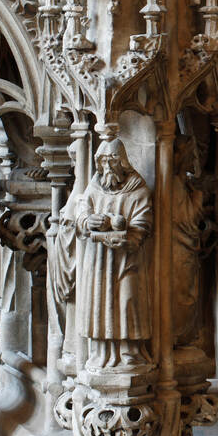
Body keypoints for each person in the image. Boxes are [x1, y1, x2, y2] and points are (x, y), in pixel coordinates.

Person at [74, 138, 153, 370]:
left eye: (112, 162)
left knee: (128, 301)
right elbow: (79, 218)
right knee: (100, 303)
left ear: (123, 163)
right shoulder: (94, 187)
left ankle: (130, 352)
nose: (107, 168)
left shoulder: (138, 190)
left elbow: (143, 223)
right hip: (98, 261)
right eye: (103, 162)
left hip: (127, 260)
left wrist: (128, 233)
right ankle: (101, 353)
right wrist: (89, 221)